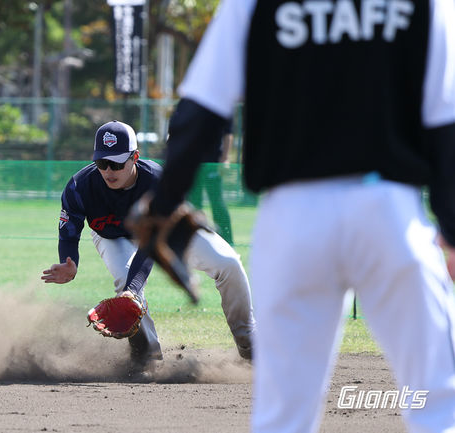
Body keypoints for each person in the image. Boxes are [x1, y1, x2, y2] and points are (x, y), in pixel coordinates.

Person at [136, 1, 455, 432]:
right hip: (390, 211)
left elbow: (201, 111)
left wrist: (162, 204)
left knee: (283, 414)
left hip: (292, 216)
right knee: (436, 400)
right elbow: (445, 126)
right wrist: (451, 232)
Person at [41, 120, 255, 370]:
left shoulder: (156, 181)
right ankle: (147, 357)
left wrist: (133, 288)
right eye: (102, 163)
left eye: (117, 163)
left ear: (135, 157)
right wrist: (70, 262)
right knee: (124, 283)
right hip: (113, 237)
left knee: (228, 263)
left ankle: (249, 344)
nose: (109, 171)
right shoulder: (79, 186)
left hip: (172, 228)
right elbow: (68, 233)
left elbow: (152, 246)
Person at [187, 119, 234, 245]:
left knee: (217, 202)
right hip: (194, 163)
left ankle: (227, 239)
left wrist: (225, 159)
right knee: (194, 203)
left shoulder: (223, 109)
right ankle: (196, 237)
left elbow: (228, 134)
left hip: (213, 163)